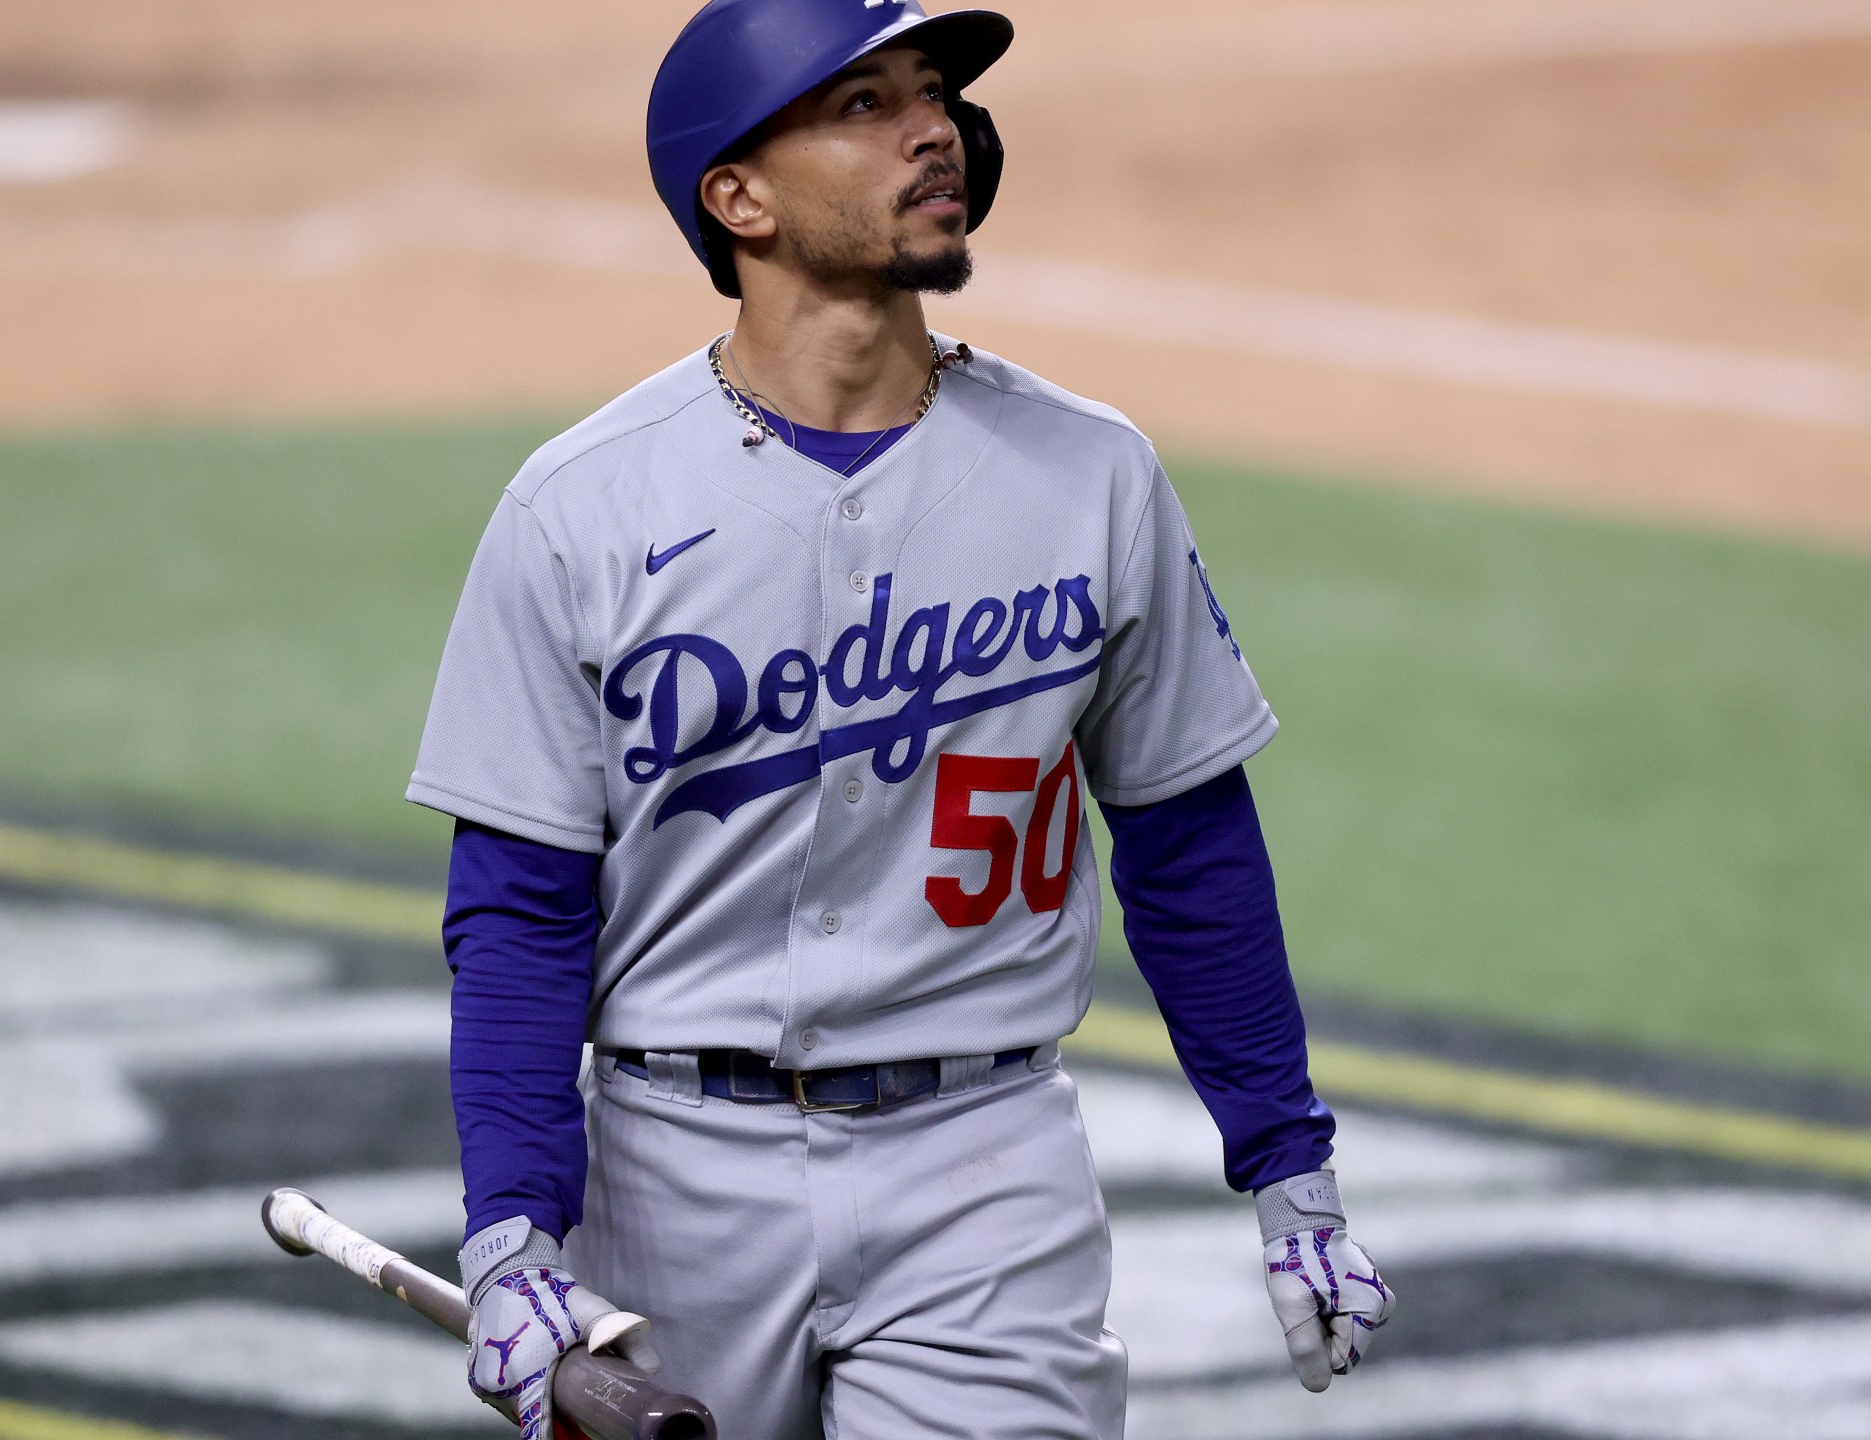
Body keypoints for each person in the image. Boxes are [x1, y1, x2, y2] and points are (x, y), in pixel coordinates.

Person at [407, 2, 1392, 1436]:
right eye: (863, 104)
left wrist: (1288, 1164)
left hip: (984, 1170)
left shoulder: (1088, 475)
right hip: (671, 1176)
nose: (933, 128)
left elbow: (1189, 850)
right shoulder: (582, 510)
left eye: (932, 94)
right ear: (736, 198)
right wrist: (512, 1225)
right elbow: (519, 908)